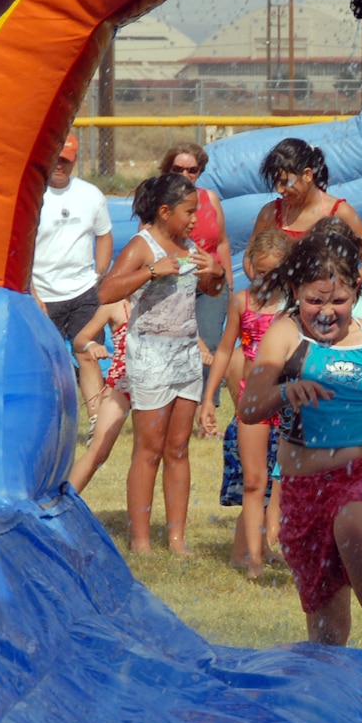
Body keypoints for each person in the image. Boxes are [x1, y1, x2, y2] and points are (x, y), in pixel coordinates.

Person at [240, 223, 362, 651]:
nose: (326, 313)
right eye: (314, 301)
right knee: (328, 635)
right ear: (295, 291)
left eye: (340, 301)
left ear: (357, 294)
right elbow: (249, 407)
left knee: (352, 525)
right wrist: (285, 390)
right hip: (303, 491)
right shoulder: (285, 335)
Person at [96, 173, 224, 555]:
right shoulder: (142, 245)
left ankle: (176, 538)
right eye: (188, 212)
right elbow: (106, 291)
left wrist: (214, 275)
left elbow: (209, 290)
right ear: (164, 211)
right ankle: (140, 540)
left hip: (184, 355)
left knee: (178, 447)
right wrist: (152, 271)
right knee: (149, 449)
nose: (194, 220)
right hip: (150, 356)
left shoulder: (190, 247)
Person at [200, 229, 291, 578]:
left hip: (286, 403)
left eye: (276, 271)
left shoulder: (294, 305)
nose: (268, 279)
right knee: (254, 481)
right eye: (262, 271)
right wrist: (209, 398)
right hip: (253, 404)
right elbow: (225, 350)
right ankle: (253, 557)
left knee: (280, 481)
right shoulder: (242, 301)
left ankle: (269, 545)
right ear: (250, 266)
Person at [32, 133, 114, 411]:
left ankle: (95, 420)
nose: (59, 166)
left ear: (75, 160)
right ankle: (54, 419)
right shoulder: (33, 194)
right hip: (43, 293)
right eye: (56, 159)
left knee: (88, 353)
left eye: (66, 161)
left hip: (83, 291)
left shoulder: (90, 195)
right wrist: (32, 293)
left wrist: (99, 275)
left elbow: (104, 235)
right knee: (47, 363)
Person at [249, 138, 362, 283]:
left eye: (285, 182)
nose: (279, 190)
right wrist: (264, 280)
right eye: (276, 183)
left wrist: (337, 285)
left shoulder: (339, 213)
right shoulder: (270, 212)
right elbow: (249, 258)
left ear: (308, 175)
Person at [161, 142, 233, 354]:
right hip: (174, 281)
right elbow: (147, 240)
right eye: (178, 169)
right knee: (176, 346)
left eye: (192, 170)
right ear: (168, 170)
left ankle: (208, 387)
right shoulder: (158, 202)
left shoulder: (209, 198)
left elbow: (221, 242)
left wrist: (227, 282)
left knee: (208, 345)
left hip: (209, 280)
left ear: (199, 171)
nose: (185, 174)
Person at [67, 299, 131, 494]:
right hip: (123, 382)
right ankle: (65, 502)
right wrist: (91, 345)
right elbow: (80, 339)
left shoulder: (167, 299)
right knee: (99, 450)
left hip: (160, 382)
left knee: (155, 453)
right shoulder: (116, 305)